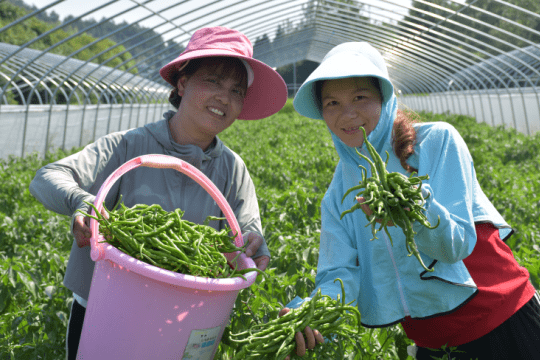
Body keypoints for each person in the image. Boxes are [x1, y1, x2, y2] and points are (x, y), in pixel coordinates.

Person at [29, 26, 288, 360]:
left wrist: (255, 244)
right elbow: (47, 177)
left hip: (182, 322)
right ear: (182, 83)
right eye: (213, 81)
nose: (225, 97)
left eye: (237, 90)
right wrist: (83, 202)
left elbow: (249, 232)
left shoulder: (232, 169)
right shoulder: (129, 146)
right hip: (104, 310)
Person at [279, 42, 540, 360]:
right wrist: (313, 309)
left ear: (384, 99)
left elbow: (455, 245)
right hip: (432, 342)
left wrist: (414, 210)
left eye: (360, 97)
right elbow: (340, 272)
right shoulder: (338, 194)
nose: (347, 114)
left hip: (502, 319)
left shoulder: (436, 142)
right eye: (332, 103)